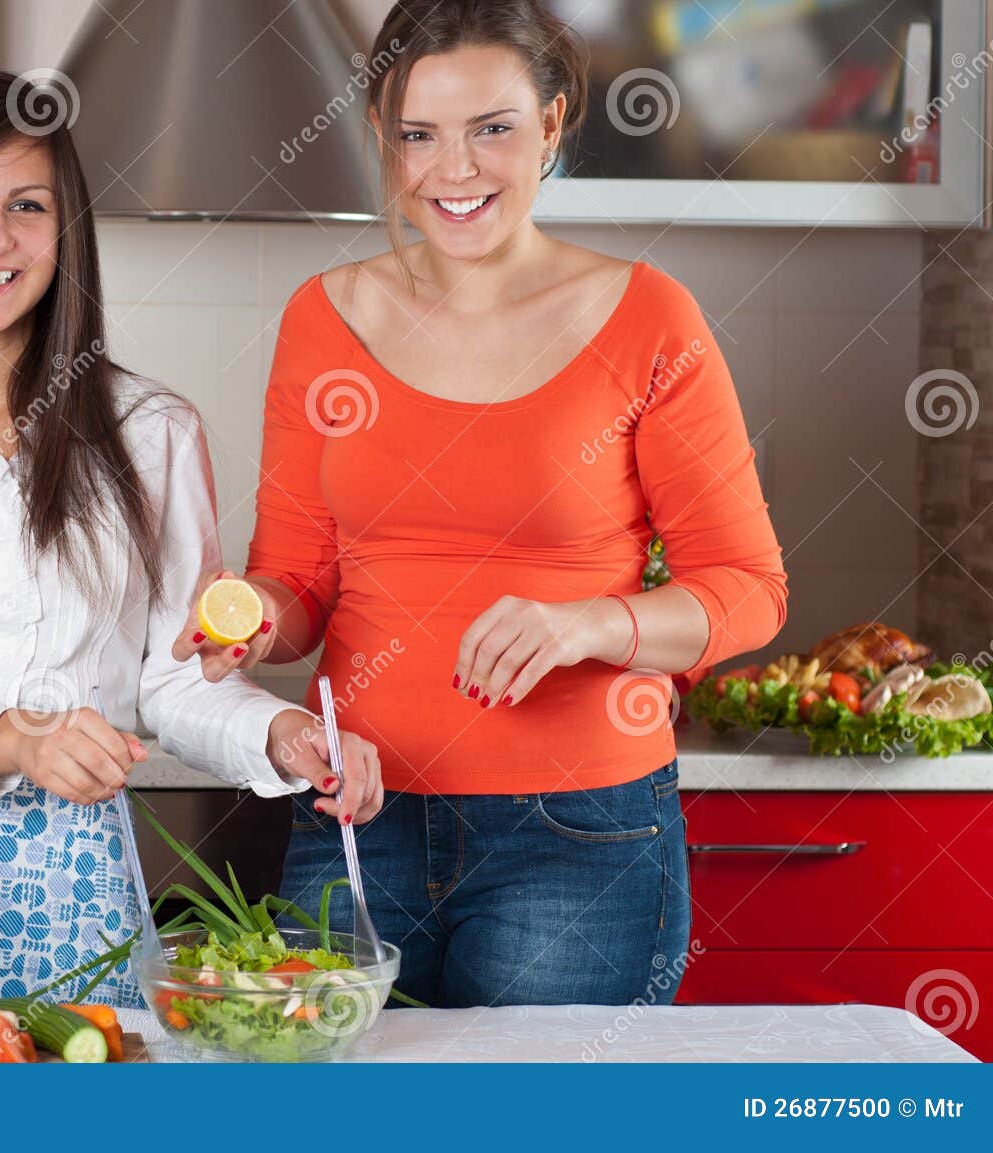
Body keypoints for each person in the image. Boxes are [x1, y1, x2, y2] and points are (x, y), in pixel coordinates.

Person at [175, 0, 788, 1008]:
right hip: (356, 824)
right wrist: (239, 622)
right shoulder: (324, 319)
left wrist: (589, 624)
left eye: (490, 129)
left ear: (550, 125)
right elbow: (298, 584)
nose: (451, 172)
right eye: (418, 135)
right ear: (382, 133)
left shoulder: (646, 318)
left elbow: (749, 591)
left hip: (579, 834)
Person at [0, 71, 381, 1009]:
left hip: (68, 900)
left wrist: (279, 733)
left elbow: (172, 677)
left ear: (65, 230)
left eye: (27, 205)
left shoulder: (152, 431)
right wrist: (12, 738)